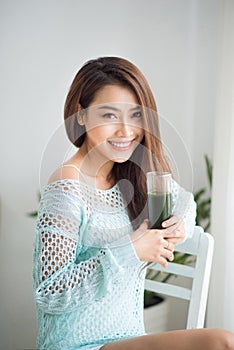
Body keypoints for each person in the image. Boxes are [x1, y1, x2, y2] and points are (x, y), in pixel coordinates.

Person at [33, 57, 234, 350]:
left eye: (136, 115)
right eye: (110, 116)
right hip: (78, 345)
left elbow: (185, 202)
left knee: (223, 341)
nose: (127, 131)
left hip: (129, 338)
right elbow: (50, 294)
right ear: (81, 115)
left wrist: (179, 222)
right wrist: (130, 250)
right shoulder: (67, 187)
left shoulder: (133, 173)